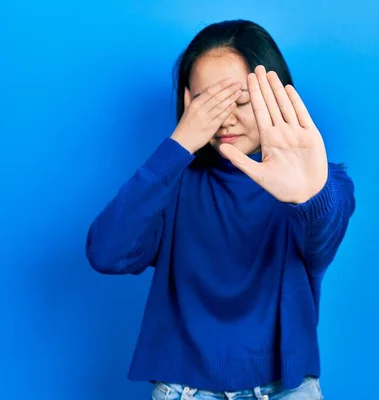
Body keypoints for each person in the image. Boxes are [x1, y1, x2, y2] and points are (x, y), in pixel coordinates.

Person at [85, 19, 355, 400]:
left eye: (241, 102)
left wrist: (309, 194)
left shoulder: (319, 185)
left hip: (286, 389)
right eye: (208, 104)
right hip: (184, 391)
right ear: (186, 101)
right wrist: (178, 145)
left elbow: (323, 237)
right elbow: (106, 253)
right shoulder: (171, 185)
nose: (225, 119)